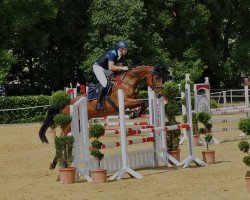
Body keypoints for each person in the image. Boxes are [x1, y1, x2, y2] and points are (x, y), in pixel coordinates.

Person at [93, 41, 129, 110]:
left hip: (106, 69)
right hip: (98, 67)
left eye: (126, 49)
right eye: (125, 49)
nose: (126, 51)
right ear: (120, 49)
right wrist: (122, 68)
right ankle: (98, 104)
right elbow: (111, 67)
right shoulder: (113, 53)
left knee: (118, 78)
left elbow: (119, 67)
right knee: (104, 82)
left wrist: (124, 70)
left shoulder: (121, 56)